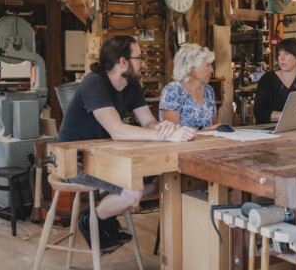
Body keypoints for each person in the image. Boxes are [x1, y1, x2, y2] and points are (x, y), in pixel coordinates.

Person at [57, 36, 197, 253]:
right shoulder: (94, 83)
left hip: (103, 157)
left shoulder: (131, 85)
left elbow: (149, 122)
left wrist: (168, 129)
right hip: (75, 161)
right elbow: (117, 131)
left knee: (160, 180)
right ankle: (91, 219)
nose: (143, 63)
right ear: (123, 62)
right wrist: (164, 137)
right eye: (139, 58)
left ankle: (106, 215)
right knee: (132, 192)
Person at [159, 43, 220, 130]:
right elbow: (172, 131)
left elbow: (214, 126)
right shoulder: (173, 91)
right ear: (192, 68)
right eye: (207, 65)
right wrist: (205, 129)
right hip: (181, 143)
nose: (211, 70)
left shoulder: (209, 91)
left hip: (207, 143)